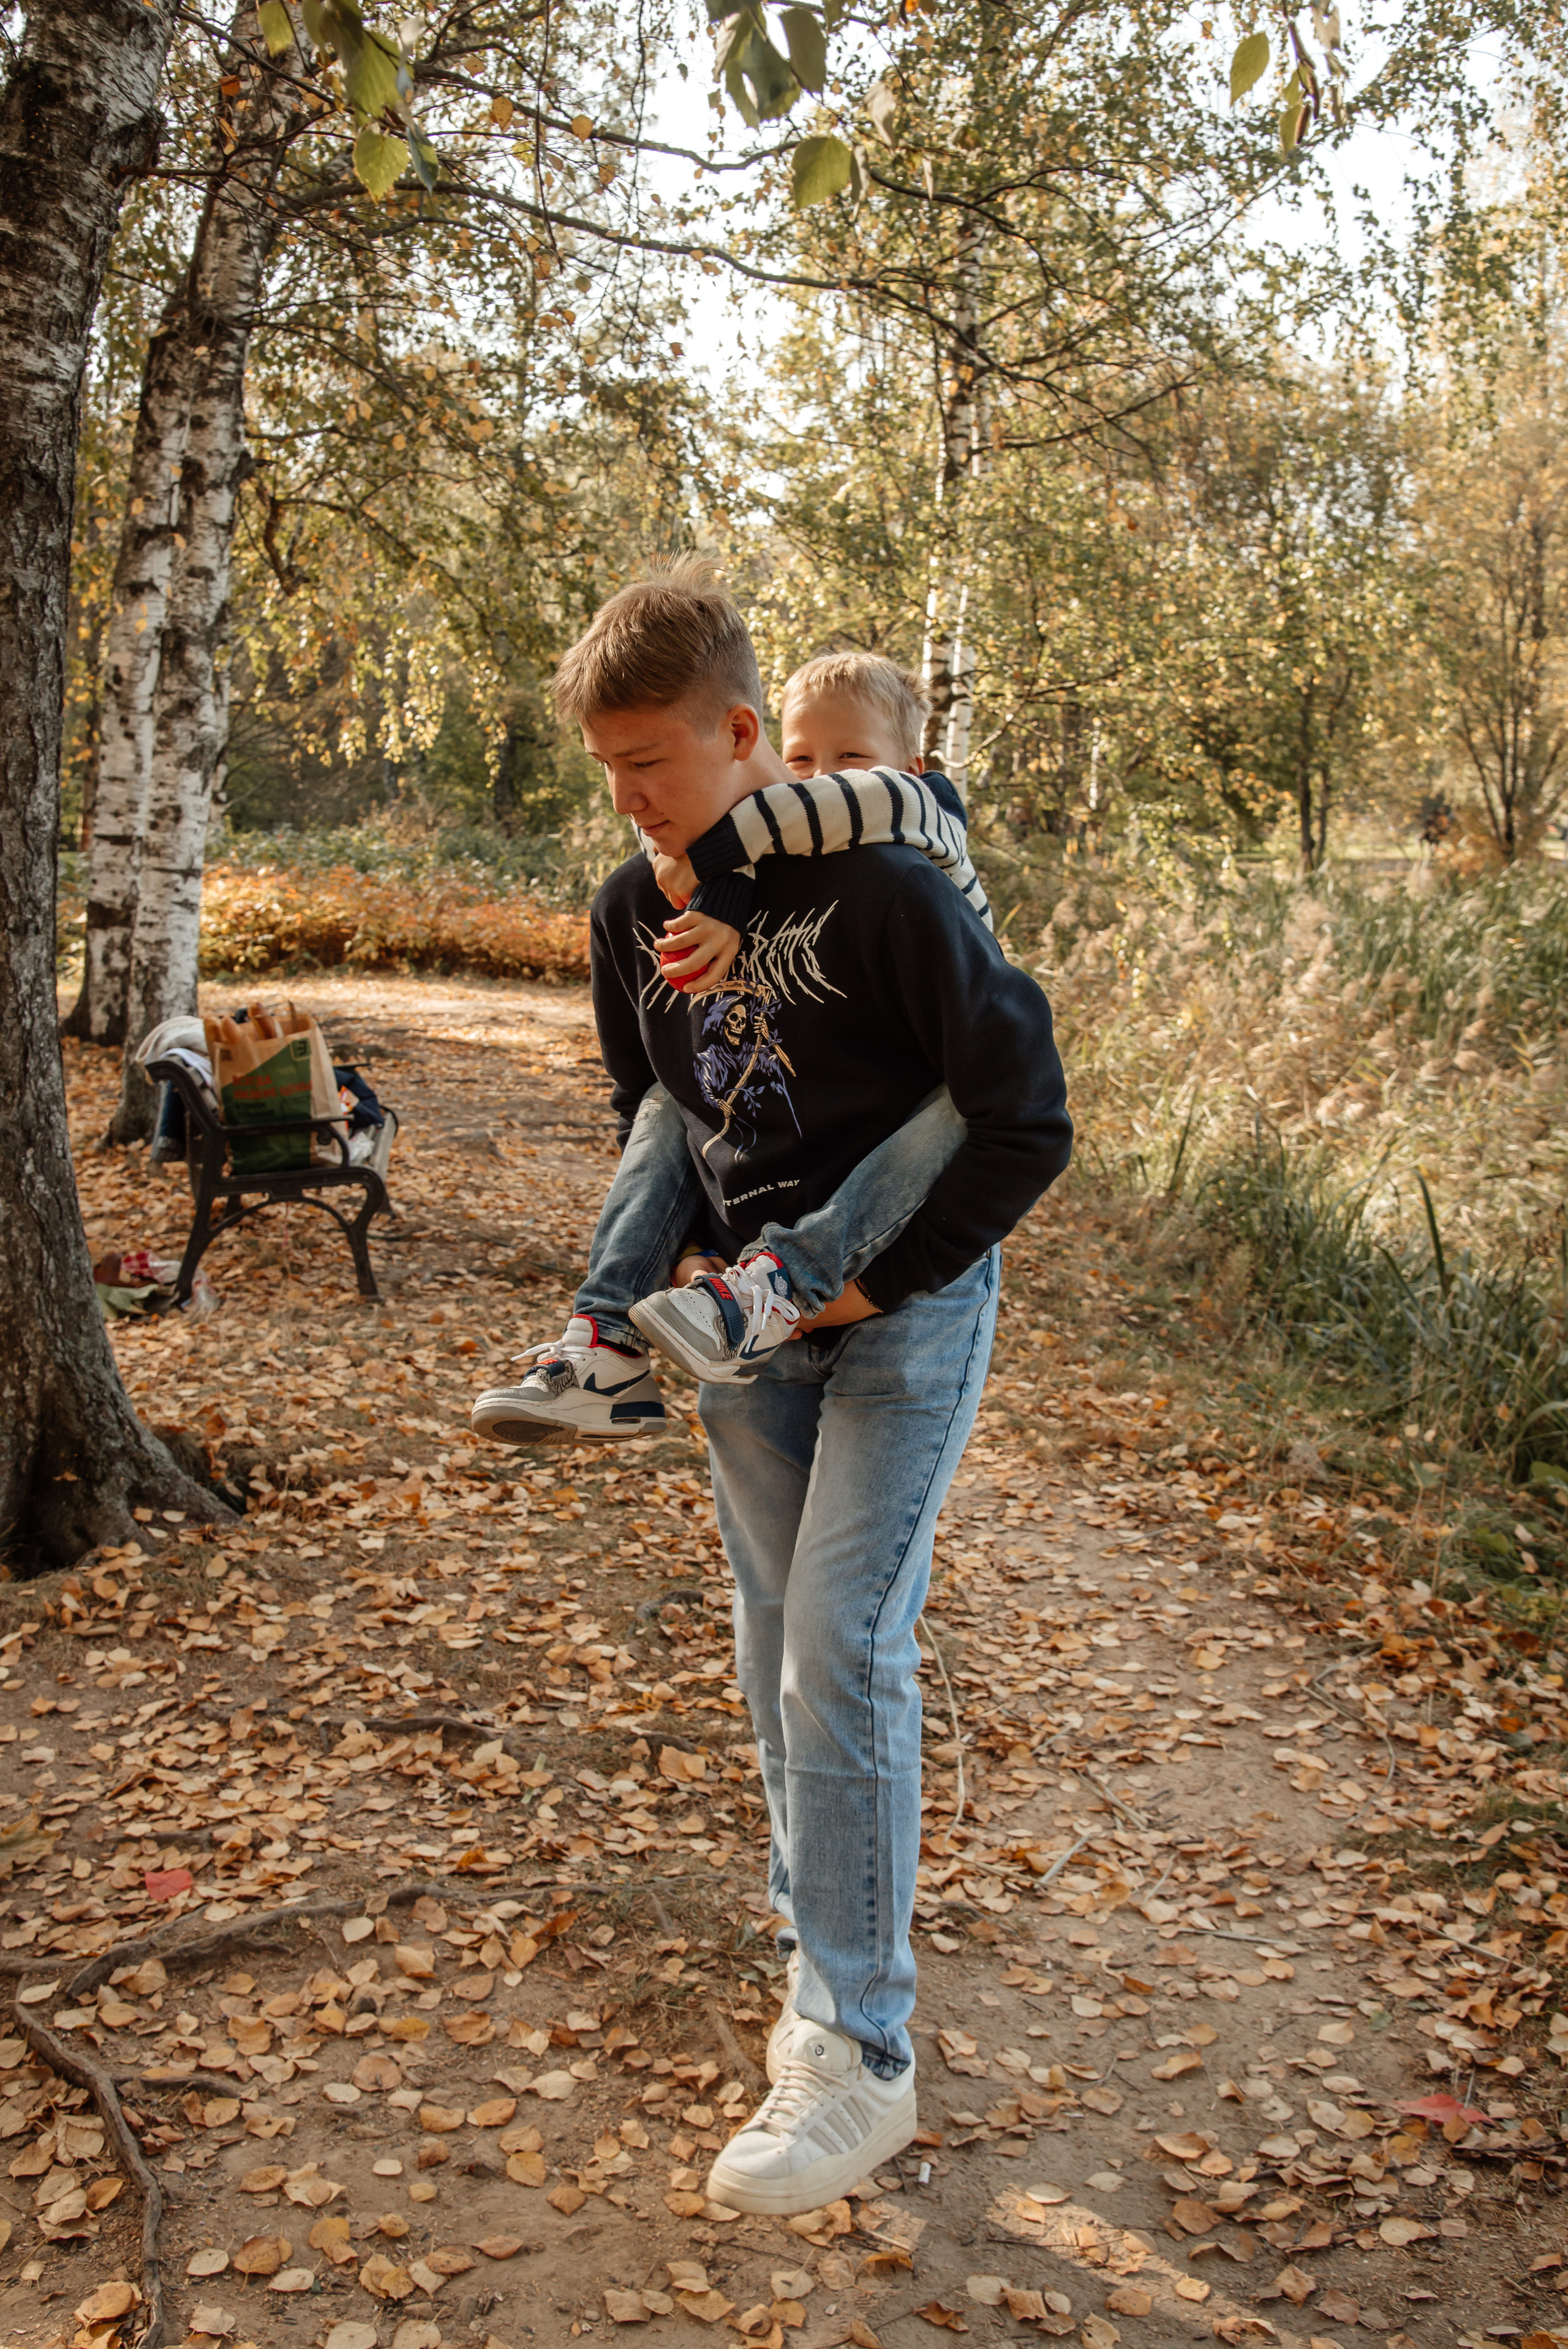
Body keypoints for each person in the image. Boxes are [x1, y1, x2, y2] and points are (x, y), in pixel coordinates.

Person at [510, 558, 1071, 2218]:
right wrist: (681, 1271)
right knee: (776, 1658)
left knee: (842, 1640)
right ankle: (819, 1974)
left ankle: (861, 2055)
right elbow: (666, 1112)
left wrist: (870, 1279)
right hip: (738, 1340)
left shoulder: (893, 893)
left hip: (899, 1313)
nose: (628, 805)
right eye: (604, 774)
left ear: (745, 734)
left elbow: (1023, 1116)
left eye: (652, 767)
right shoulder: (631, 913)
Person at [470, 651, 992, 1444]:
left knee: (951, 1105)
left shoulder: (916, 811)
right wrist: (688, 1255)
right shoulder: (683, 882)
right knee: (662, 1100)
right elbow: (767, 832)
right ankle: (606, 1335)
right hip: (747, 1254)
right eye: (804, 754)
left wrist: (702, 873)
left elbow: (780, 816)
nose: (820, 776)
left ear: (908, 766)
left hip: (915, 1180)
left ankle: (789, 1275)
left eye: (847, 757)